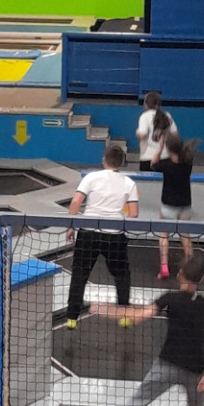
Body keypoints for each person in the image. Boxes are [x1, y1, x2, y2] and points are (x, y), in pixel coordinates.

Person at [89, 253, 204, 406]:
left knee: (138, 400)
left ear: (180, 275)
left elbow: (138, 316)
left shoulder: (170, 298)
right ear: (202, 278)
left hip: (167, 364)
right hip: (195, 371)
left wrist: (106, 310)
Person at [64, 141, 139, 329]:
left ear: (104, 159)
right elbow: (134, 213)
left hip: (88, 233)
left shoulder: (91, 177)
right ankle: (124, 315)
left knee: (79, 273)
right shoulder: (129, 183)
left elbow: (75, 202)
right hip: (114, 235)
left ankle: (71, 317)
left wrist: (71, 226)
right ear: (121, 163)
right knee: (122, 274)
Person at [157, 133, 199, 279]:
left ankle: (164, 267)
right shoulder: (188, 162)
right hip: (185, 204)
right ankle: (190, 267)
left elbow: (153, 164)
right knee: (185, 235)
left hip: (168, 205)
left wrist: (160, 147)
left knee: (164, 235)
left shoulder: (165, 165)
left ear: (168, 149)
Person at [136, 91, 176, 172]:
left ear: (146, 104)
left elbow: (143, 135)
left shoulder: (145, 116)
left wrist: (137, 132)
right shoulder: (167, 115)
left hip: (148, 157)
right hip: (165, 157)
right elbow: (175, 134)